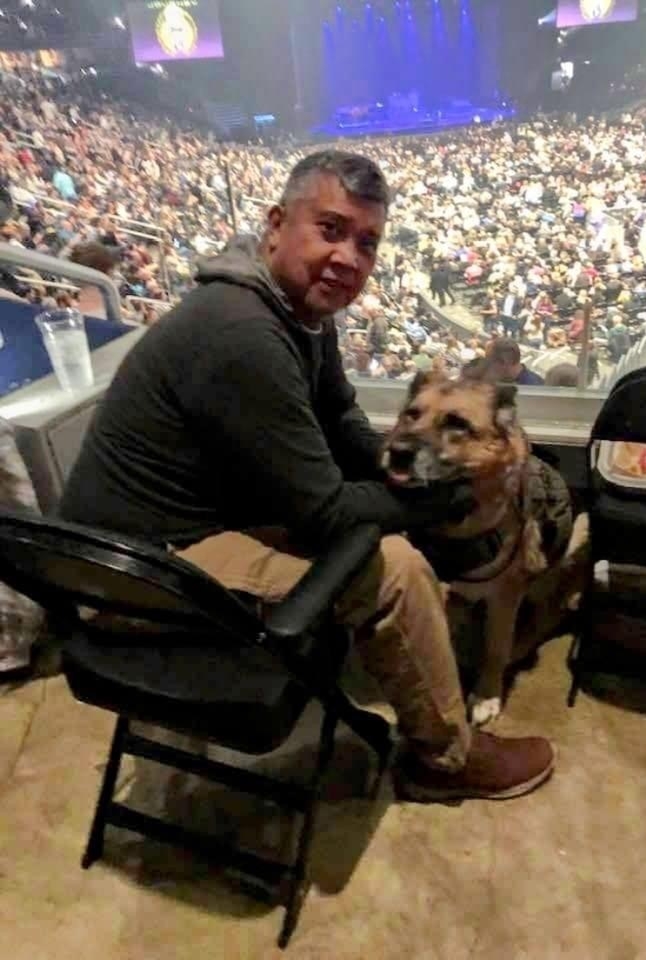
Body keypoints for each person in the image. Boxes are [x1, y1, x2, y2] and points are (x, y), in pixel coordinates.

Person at [59, 150, 553, 803]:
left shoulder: (296, 312)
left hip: (175, 531)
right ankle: (445, 759)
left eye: (366, 242)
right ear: (275, 225)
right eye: (330, 229)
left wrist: (401, 467)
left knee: (375, 529)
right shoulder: (243, 333)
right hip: (129, 572)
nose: (349, 257)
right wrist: (443, 502)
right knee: (394, 571)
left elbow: (341, 415)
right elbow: (325, 512)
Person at [481, 337, 545, 386]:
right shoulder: (496, 381)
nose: (488, 367)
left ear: (506, 362)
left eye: (490, 362)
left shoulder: (534, 387)